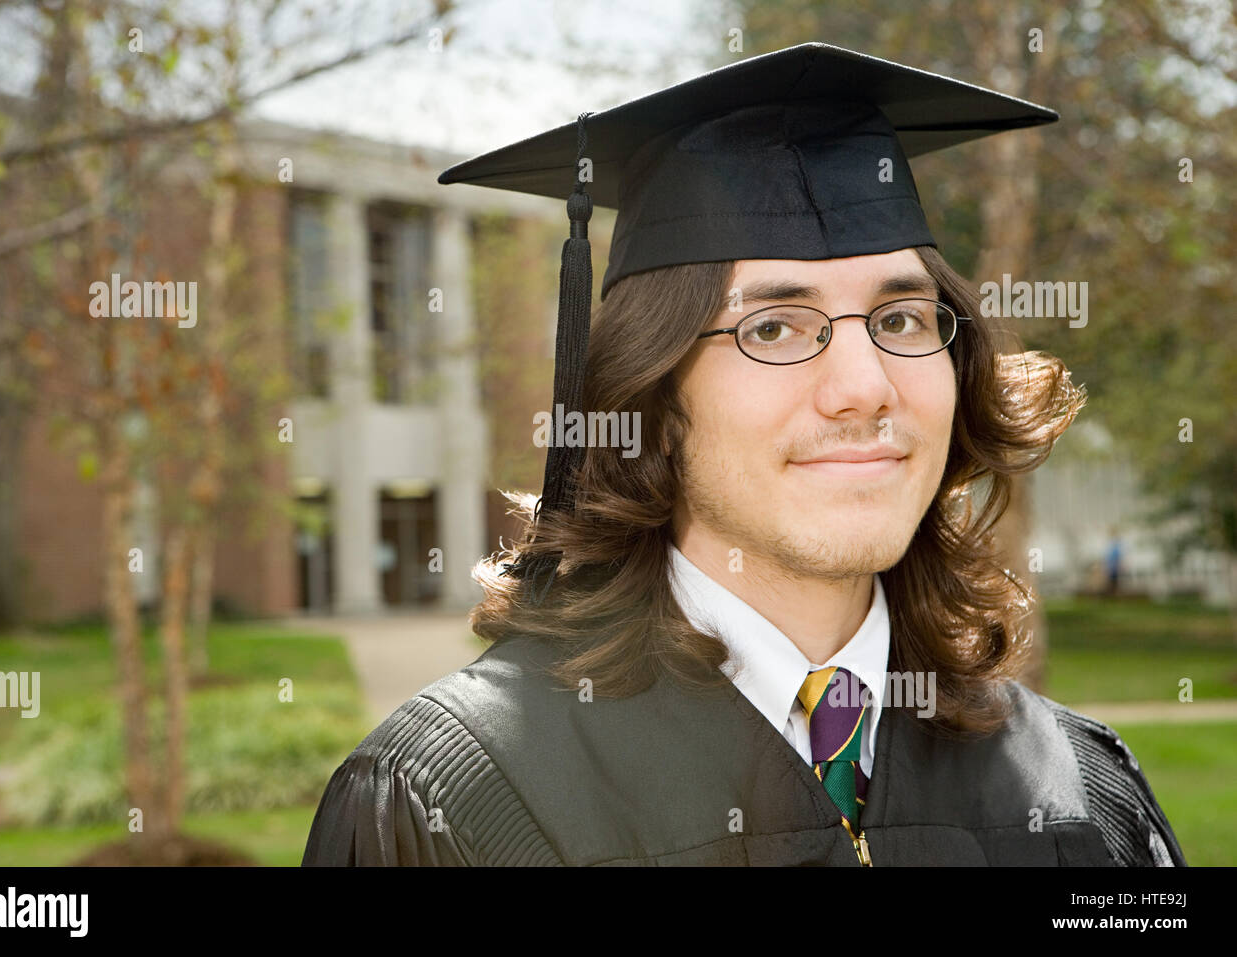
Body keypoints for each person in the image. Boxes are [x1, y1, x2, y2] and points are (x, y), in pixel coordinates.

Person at [302, 43, 1185, 867]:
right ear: (651, 396)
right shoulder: (458, 800)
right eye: (774, 327)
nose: (865, 386)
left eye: (902, 319)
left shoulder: (1075, 794)